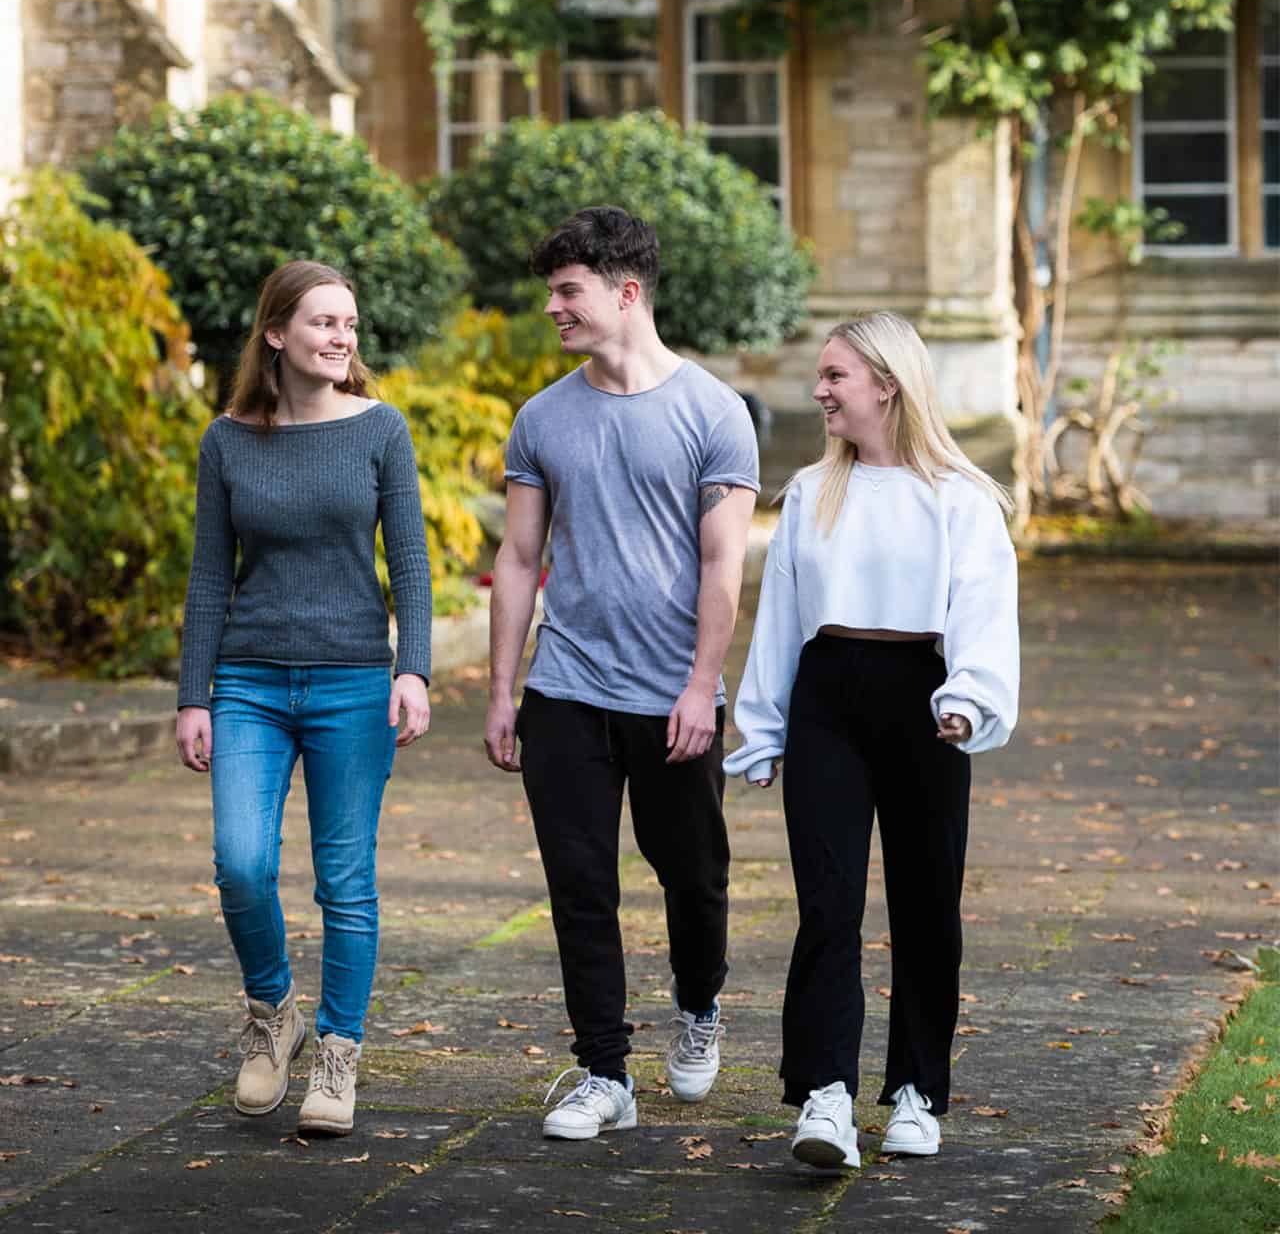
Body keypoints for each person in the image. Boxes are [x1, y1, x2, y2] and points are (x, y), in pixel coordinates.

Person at [483, 206, 759, 1140]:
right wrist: (501, 690)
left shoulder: (714, 412)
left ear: (625, 291)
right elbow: (519, 560)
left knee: (695, 876)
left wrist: (699, 685)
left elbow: (725, 566)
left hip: (673, 694)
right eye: (552, 291)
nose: (554, 308)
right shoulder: (542, 418)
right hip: (566, 689)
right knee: (579, 882)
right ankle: (603, 1069)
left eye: (569, 291)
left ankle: (699, 1005)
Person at [724, 311, 1018, 1170]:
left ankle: (918, 1094)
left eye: (834, 377)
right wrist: (763, 729)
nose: (818, 391)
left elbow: (984, 612)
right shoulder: (813, 493)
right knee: (827, 904)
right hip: (828, 704)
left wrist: (967, 699)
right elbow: (780, 623)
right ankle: (826, 1096)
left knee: (928, 907)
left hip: (927, 705)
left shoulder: (962, 499)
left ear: (886, 384)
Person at [175, 260, 432, 1136]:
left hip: (352, 681)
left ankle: (338, 1051)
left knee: (346, 879)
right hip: (247, 681)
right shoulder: (228, 440)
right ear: (276, 334)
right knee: (240, 863)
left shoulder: (381, 430)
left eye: (350, 324)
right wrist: (193, 694)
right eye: (324, 322)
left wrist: (414, 669)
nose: (342, 337)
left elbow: (410, 563)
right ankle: (272, 1010)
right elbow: (210, 573)